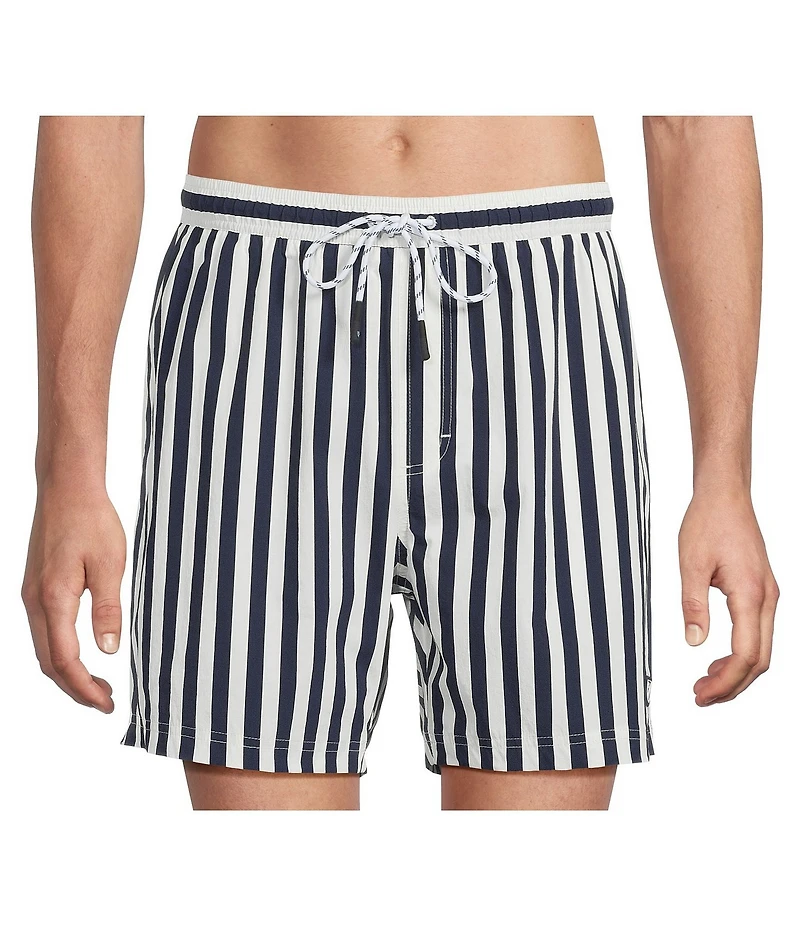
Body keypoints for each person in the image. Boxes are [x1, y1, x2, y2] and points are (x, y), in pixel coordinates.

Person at [21, 116, 778, 811]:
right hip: (262, 302)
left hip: (537, 311)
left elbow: (694, 116)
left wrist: (726, 476)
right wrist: (68, 471)